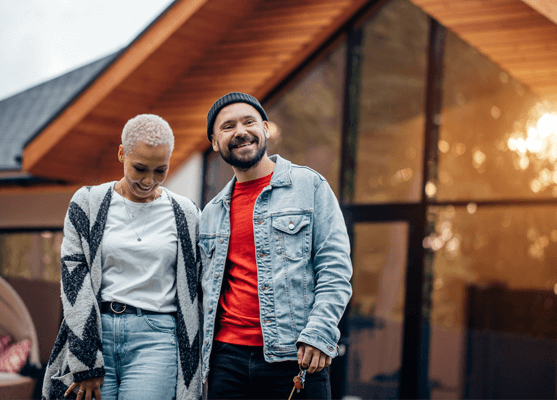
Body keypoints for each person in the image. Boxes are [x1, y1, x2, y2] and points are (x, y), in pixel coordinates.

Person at [199, 92, 353, 400]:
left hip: (295, 356)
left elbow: (335, 269)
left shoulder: (310, 187)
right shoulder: (211, 213)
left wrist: (320, 333)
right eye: (228, 126)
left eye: (249, 122)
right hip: (227, 362)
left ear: (266, 129)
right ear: (215, 143)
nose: (240, 131)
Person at [41, 114, 202, 400]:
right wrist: (87, 361)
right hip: (97, 333)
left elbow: (196, 288)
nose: (148, 181)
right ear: (121, 153)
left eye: (159, 170)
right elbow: (74, 280)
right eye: (139, 168)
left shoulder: (186, 213)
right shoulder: (87, 203)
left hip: (157, 337)